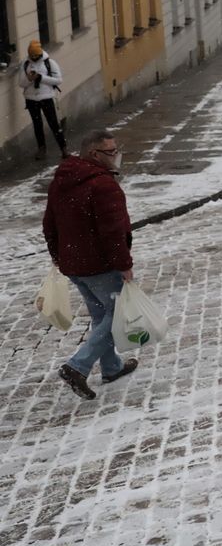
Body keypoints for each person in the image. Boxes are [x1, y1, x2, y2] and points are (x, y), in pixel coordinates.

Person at [43, 130, 138, 400]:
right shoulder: (102, 185)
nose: (116, 155)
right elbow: (112, 231)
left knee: (101, 315)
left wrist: (58, 255)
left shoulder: (63, 180)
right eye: (110, 151)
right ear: (94, 154)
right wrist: (124, 264)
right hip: (100, 265)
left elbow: (49, 223)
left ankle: (112, 367)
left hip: (74, 264)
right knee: (117, 315)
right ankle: (77, 366)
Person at [21, 40, 69, 160]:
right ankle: (41, 148)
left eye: (36, 56)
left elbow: (58, 80)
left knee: (54, 124)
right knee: (37, 125)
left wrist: (41, 78)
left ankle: (63, 148)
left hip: (46, 97)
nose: (34, 58)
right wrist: (29, 79)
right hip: (31, 99)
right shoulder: (25, 64)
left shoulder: (50, 63)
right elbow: (21, 83)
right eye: (32, 56)